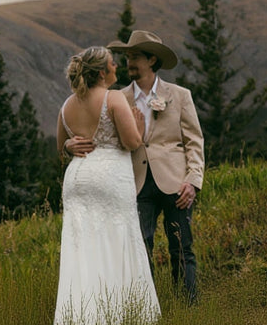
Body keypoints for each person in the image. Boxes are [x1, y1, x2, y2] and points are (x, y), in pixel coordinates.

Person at [65, 30, 205, 304]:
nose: (129, 62)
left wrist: (193, 180)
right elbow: (95, 132)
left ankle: (189, 308)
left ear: (152, 59)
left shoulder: (179, 95)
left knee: (182, 247)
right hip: (134, 182)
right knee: (140, 245)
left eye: (136, 56)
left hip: (176, 182)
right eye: (126, 57)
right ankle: (146, 306)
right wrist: (69, 144)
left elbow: (194, 141)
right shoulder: (115, 97)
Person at [53, 46, 160, 325]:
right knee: (116, 239)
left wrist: (68, 144)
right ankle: (121, 313)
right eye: (113, 64)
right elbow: (131, 143)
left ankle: (81, 316)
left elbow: (60, 148)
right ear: (102, 72)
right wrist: (137, 127)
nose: (117, 68)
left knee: (82, 247)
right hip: (110, 177)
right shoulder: (113, 98)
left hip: (77, 179)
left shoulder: (67, 105)